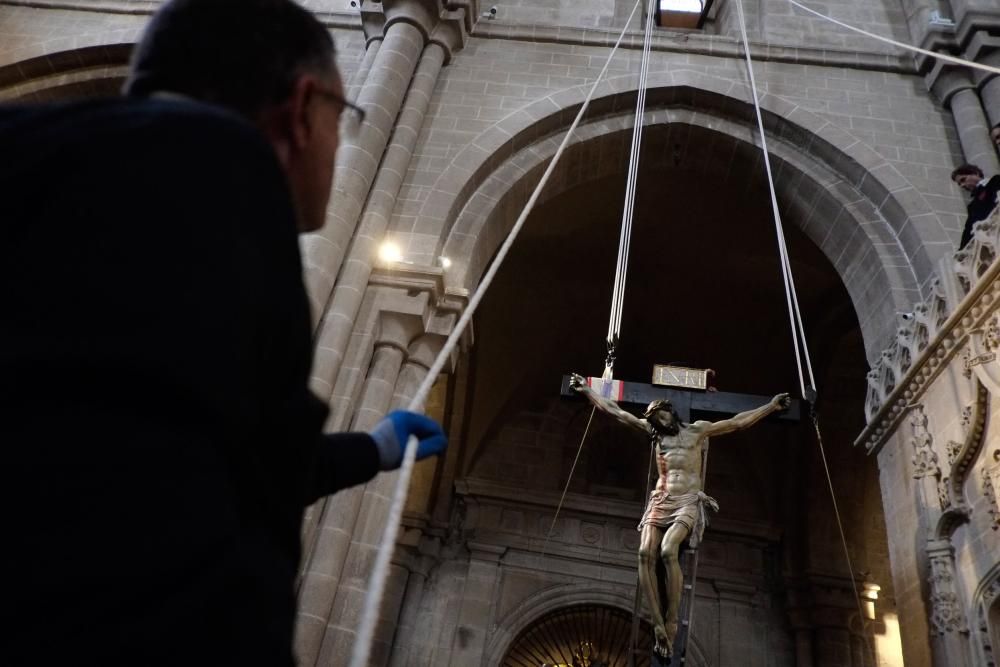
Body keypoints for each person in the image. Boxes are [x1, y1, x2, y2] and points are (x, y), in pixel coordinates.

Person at [0, 0, 445, 664]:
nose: (337, 138)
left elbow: (204, 442)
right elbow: (225, 504)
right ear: (301, 108)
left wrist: (371, 449)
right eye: (342, 117)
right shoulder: (226, 169)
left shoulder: (28, 146)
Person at [569, 374, 788, 658]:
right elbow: (615, 411)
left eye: (663, 416)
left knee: (669, 550)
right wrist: (588, 391)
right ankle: (658, 625)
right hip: (661, 498)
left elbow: (735, 423)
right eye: (656, 419)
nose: (661, 422)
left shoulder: (697, 431)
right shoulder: (654, 434)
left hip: (686, 500)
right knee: (644, 555)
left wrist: (770, 407)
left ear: (671, 413)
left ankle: (671, 620)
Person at [951, 163, 1000, 249]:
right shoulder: (972, 206)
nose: (962, 185)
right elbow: (969, 229)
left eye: (963, 180)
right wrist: (961, 251)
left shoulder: (996, 181)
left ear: (975, 173)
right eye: (959, 184)